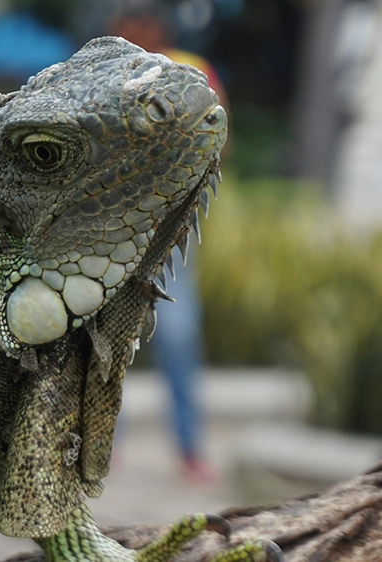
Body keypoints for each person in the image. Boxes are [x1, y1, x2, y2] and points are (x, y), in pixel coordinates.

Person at [111, 10, 224, 483]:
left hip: (169, 232)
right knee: (106, 341)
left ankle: (189, 447)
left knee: (177, 340)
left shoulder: (190, 69)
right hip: (114, 230)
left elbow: (218, 138)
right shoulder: (109, 69)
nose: (124, 30)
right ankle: (99, 446)